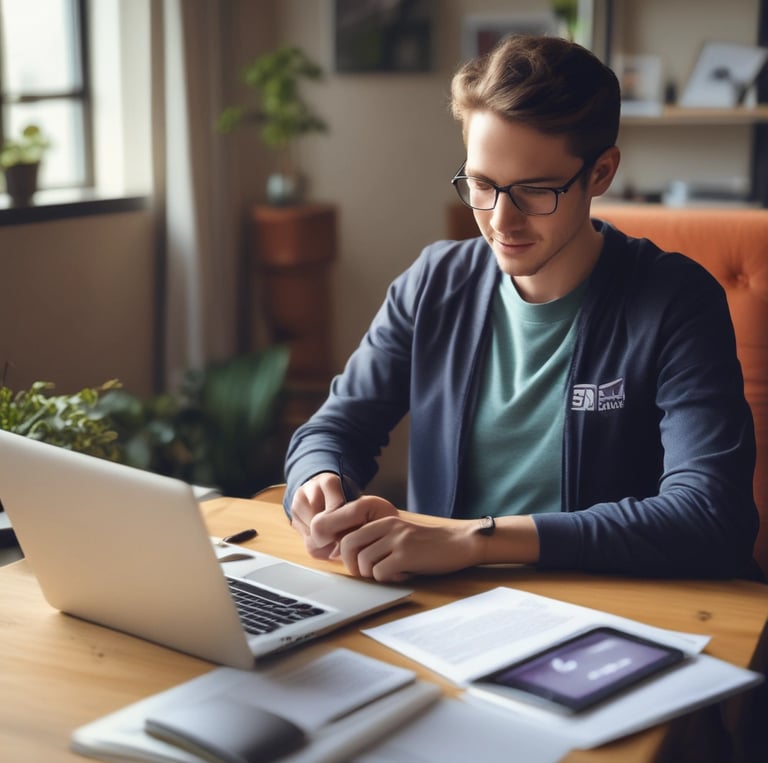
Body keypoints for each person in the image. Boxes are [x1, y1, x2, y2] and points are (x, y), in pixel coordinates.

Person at [283, 34, 758, 582]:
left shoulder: (677, 301)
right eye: (482, 185)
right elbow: (332, 430)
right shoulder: (434, 282)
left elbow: (711, 517)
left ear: (601, 173)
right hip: (448, 607)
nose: (500, 222)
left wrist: (473, 540)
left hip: (613, 607)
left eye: (535, 191)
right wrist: (320, 478)